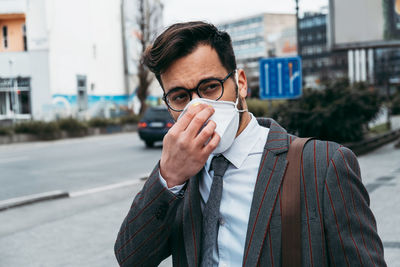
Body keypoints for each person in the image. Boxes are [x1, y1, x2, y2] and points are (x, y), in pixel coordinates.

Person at [114, 21, 386, 267]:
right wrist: (169, 177)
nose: (198, 107)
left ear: (240, 84)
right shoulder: (178, 175)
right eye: (180, 96)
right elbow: (131, 258)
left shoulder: (323, 164)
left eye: (210, 87)